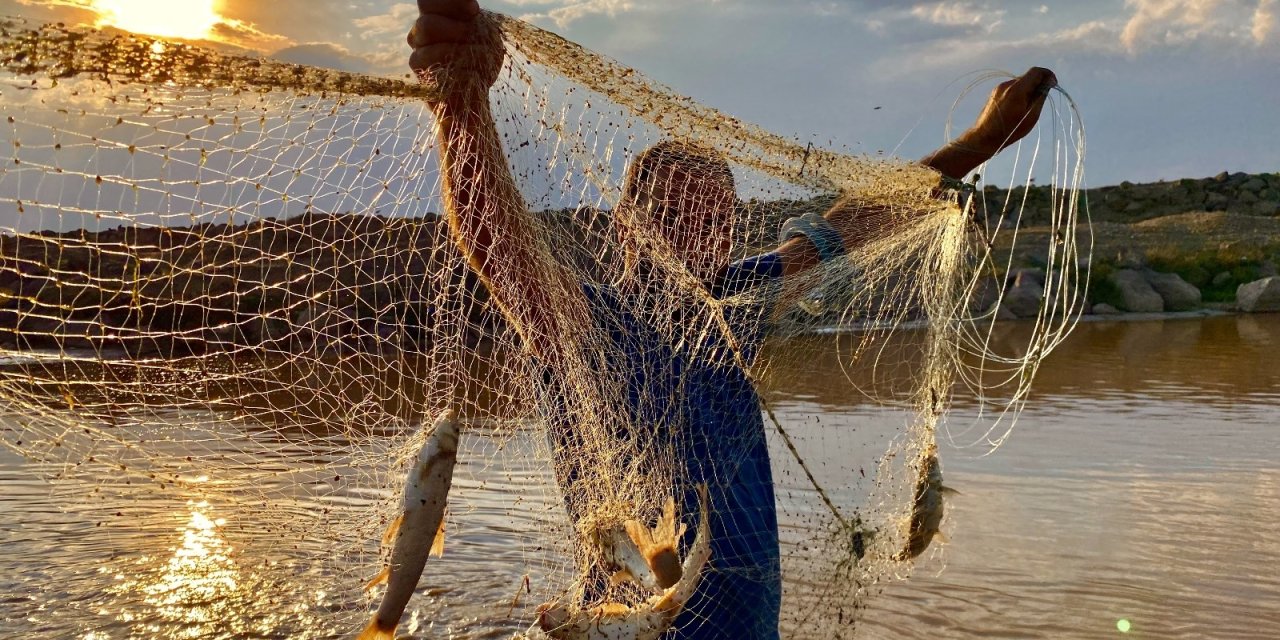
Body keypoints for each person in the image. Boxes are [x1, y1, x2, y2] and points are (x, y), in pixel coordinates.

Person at [406, 2, 1055, 637]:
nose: (701, 234)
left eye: (717, 219)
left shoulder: (736, 301)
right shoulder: (585, 323)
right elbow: (498, 242)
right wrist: (461, 99)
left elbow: (850, 224)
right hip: (635, 625)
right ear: (627, 224)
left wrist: (980, 142)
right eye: (677, 213)